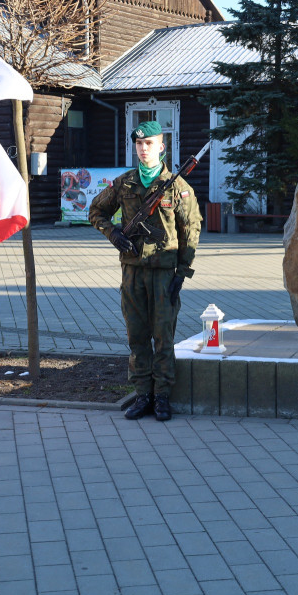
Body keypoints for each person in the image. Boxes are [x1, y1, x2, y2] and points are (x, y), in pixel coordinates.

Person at [88, 121, 202, 422]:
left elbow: (191, 229)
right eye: (139, 144)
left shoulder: (177, 186)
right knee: (137, 336)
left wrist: (182, 270)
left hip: (164, 273)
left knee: (163, 336)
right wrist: (112, 234)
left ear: (161, 147)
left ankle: (163, 396)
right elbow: (95, 211)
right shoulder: (124, 183)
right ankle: (143, 395)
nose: (143, 148)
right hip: (133, 271)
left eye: (149, 143)